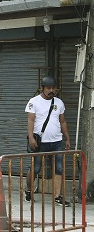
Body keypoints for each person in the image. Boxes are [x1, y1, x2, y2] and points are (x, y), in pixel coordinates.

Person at [25, 76, 71, 205]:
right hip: (40, 142)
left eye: (53, 88)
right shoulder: (34, 102)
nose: (51, 90)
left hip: (57, 142)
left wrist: (67, 138)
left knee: (59, 168)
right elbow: (30, 120)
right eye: (48, 88)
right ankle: (28, 191)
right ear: (42, 88)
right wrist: (31, 138)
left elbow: (62, 121)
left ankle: (57, 196)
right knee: (36, 168)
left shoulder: (59, 102)